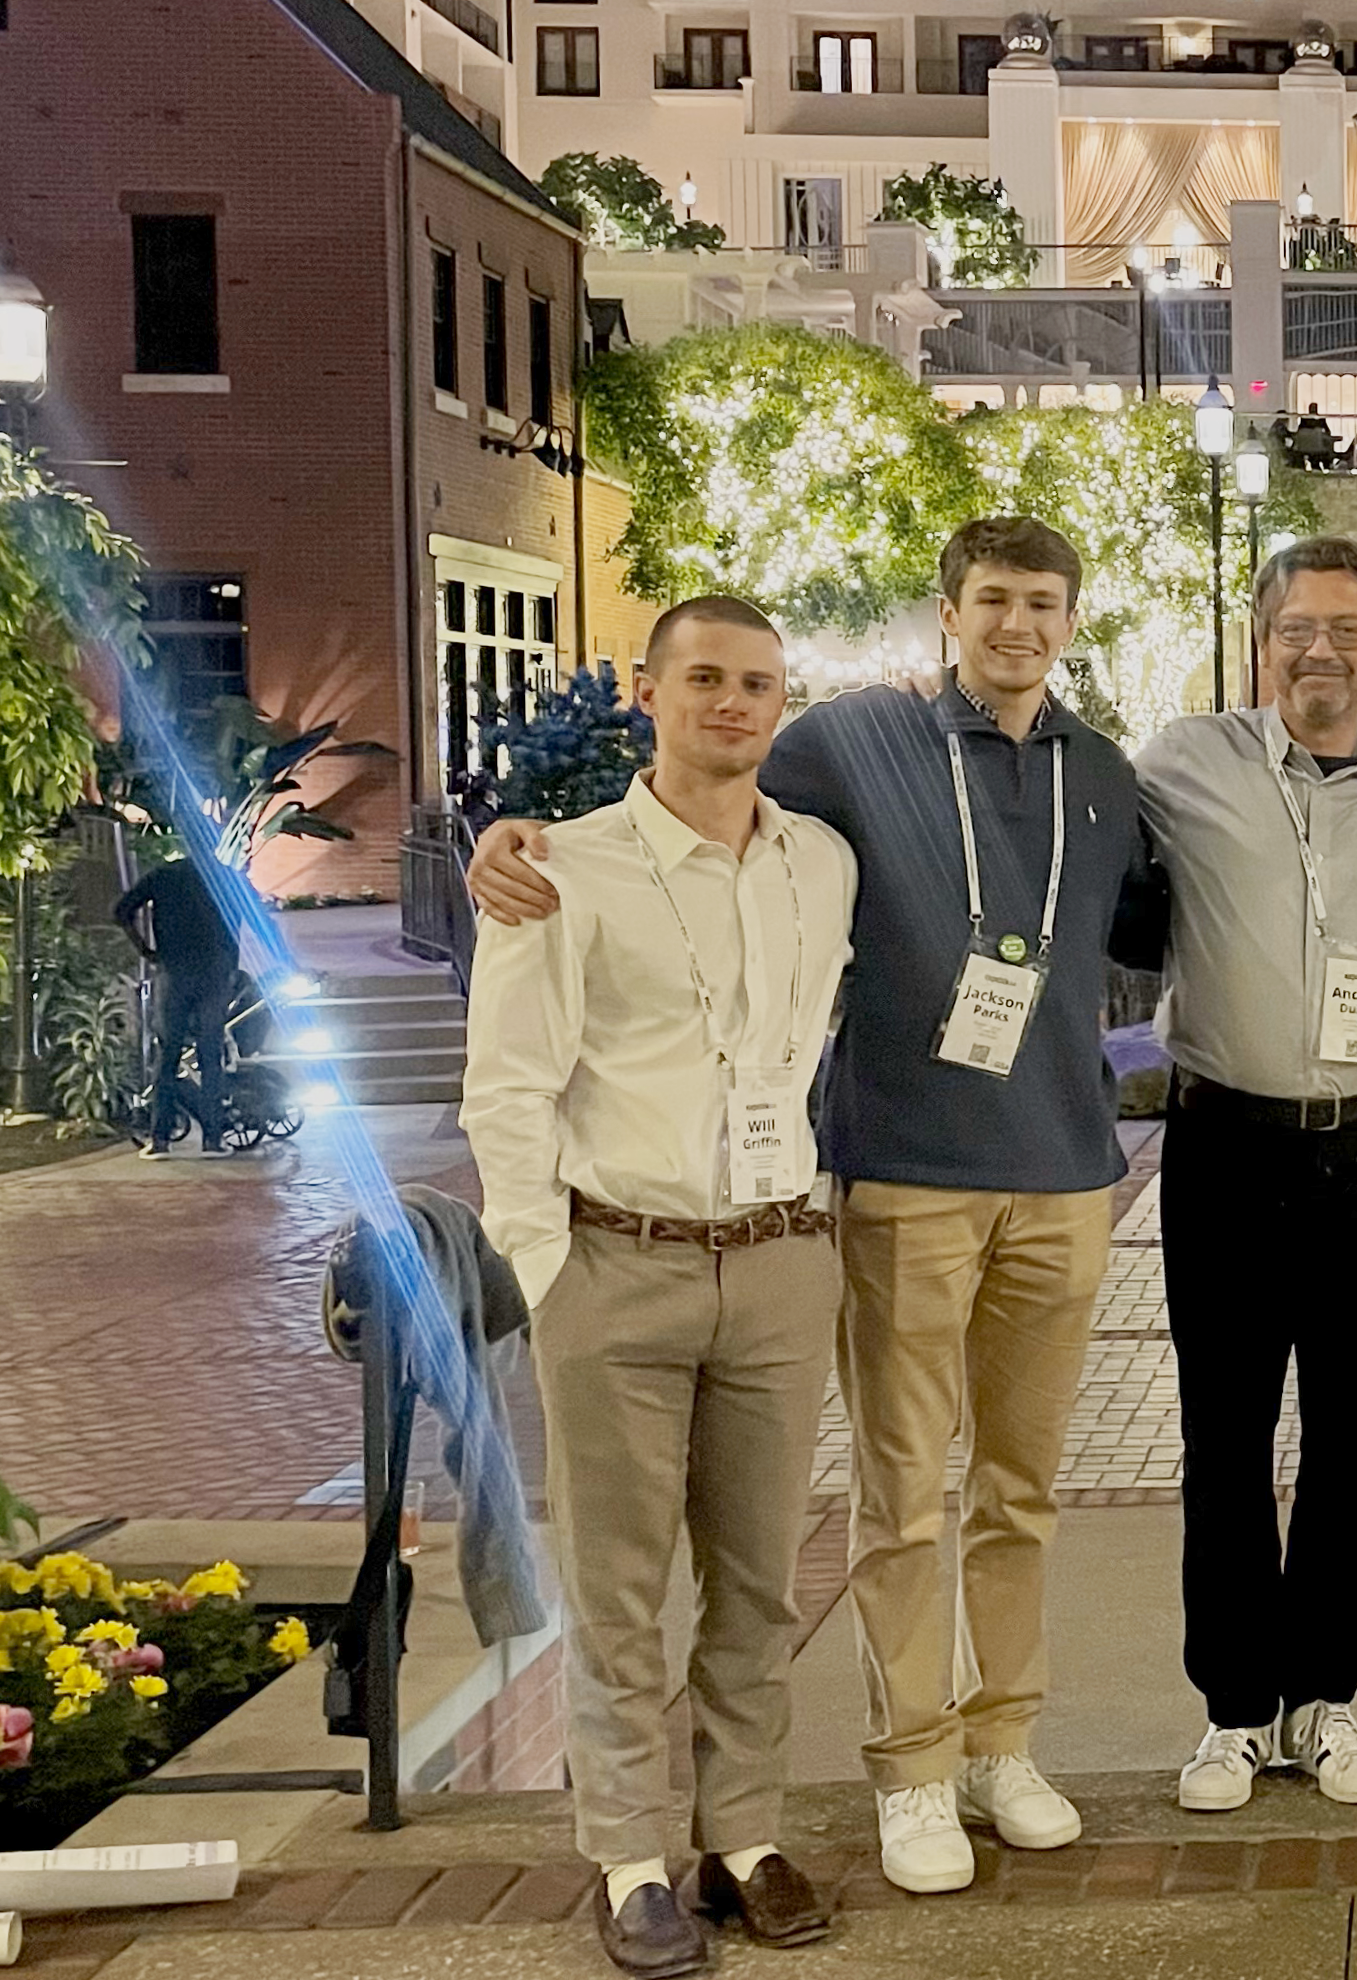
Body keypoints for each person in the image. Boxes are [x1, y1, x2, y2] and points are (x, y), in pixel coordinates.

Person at [469, 520, 1161, 1897]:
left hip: (1058, 1181)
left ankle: (996, 1742)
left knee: (1015, 1493)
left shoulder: (1103, 774)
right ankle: (905, 1764)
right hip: (899, 1177)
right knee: (900, 1496)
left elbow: (1144, 930)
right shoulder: (847, 747)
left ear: (1069, 620)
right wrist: (509, 841)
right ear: (945, 614)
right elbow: (684, 799)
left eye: (1042, 602)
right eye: (991, 601)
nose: (1016, 625)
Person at [462, 596, 859, 1978]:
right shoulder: (558, 868)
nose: (731, 704)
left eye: (757, 682)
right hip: (614, 1261)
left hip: (774, 1255)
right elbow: (505, 1089)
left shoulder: (822, 865)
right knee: (620, 1585)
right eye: (703, 678)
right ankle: (629, 1848)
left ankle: (741, 1832)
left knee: (757, 1582)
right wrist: (545, 1271)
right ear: (648, 691)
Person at [1132, 536, 1357, 1812]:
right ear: (1262, 641)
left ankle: (1326, 1700)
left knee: (1352, 1442)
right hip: (1225, 1146)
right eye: (1296, 630)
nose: (1321, 652)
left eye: (1348, 630)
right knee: (1222, 1437)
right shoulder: (1177, 765)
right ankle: (1233, 1708)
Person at [113, 853, 238, 1156]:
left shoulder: (164, 875)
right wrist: (230, 964)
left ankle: (160, 1139)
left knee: (167, 1056)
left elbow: (121, 911)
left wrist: (146, 950)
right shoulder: (225, 874)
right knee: (211, 1054)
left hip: (174, 971)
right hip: (213, 972)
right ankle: (213, 1138)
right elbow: (240, 920)